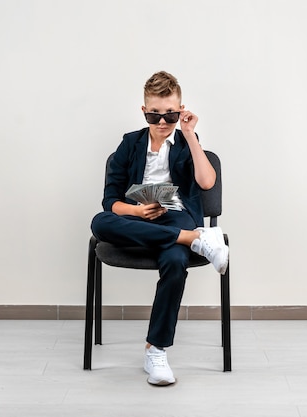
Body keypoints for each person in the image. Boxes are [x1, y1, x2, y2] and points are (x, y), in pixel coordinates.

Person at [90, 71, 229, 386]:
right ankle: (198, 239)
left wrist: (191, 134)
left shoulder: (184, 142)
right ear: (144, 111)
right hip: (137, 218)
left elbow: (207, 182)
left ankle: (156, 351)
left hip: (176, 214)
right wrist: (137, 210)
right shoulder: (130, 144)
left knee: (176, 261)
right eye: (155, 115)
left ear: (180, 111)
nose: (163, 122)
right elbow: (110, 202)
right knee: (99, 223)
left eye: (171, 115)